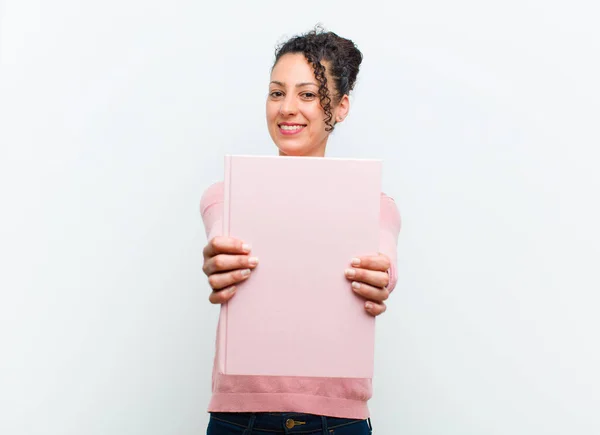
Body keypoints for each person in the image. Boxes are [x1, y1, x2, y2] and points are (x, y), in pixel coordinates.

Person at [199, 27, 401, 435]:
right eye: (277, 93)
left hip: (337, 422)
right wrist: (219, 260)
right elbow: (220, 242)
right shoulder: (226, 195)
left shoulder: (375, 206)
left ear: (340, 107)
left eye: (307, 94)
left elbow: (385, 265)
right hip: (239, 419)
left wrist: (380, 278)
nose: (287, 107)